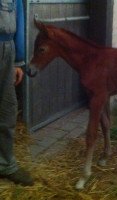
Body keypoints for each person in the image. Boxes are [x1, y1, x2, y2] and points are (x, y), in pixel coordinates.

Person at [0, 0, 33, 186]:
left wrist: (18, 60)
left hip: (7, 49)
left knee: (8, 108)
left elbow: (19, 21)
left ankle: (5, 164)